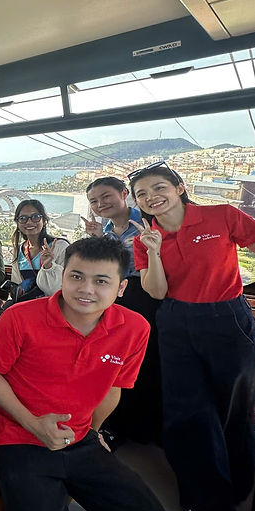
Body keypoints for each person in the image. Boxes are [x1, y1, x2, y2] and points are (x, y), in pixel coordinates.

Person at [0, 236, 204, 511]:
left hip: (81, 441)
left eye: (101, 281)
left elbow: (113, 389)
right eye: (76, 276)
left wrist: (92, 431)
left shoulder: (134, 328)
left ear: (121, 288)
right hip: (19, 441)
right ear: (61, 276)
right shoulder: (21, 317)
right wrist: (33, 423)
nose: (85, 289)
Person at [130, 161, 255, 511]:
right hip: (175, 321)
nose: (151, 198)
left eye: (159, 187)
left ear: (179, 186)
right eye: (142, 194)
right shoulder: (143, 240)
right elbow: (156, 291)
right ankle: (211, 507)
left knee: (237, 407)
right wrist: (154, 251)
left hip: (227, 318)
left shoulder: (221, 216)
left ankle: (235, 493)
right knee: (187, 413)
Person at [84, 176, 162, 444]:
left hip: (146, 296)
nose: (100, 204)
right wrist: (96, 239)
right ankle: (116, 424)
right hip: (116, 298)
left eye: (106, 196)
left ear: (124, 194)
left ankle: (144, 429)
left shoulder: (148, 222)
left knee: (146, 363)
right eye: (94, 201)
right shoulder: (105, 231)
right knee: (117, 364)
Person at [9, 199, 67, 300]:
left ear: (44, 221)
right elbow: (17, 285)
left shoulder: (60, 246)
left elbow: (62, 288)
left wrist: (49, 266)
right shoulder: (18, 250)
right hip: (27, 306)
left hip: (53, 305)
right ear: (17, 223)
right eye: (23, 218)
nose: (29, 222)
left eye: (35, 217)